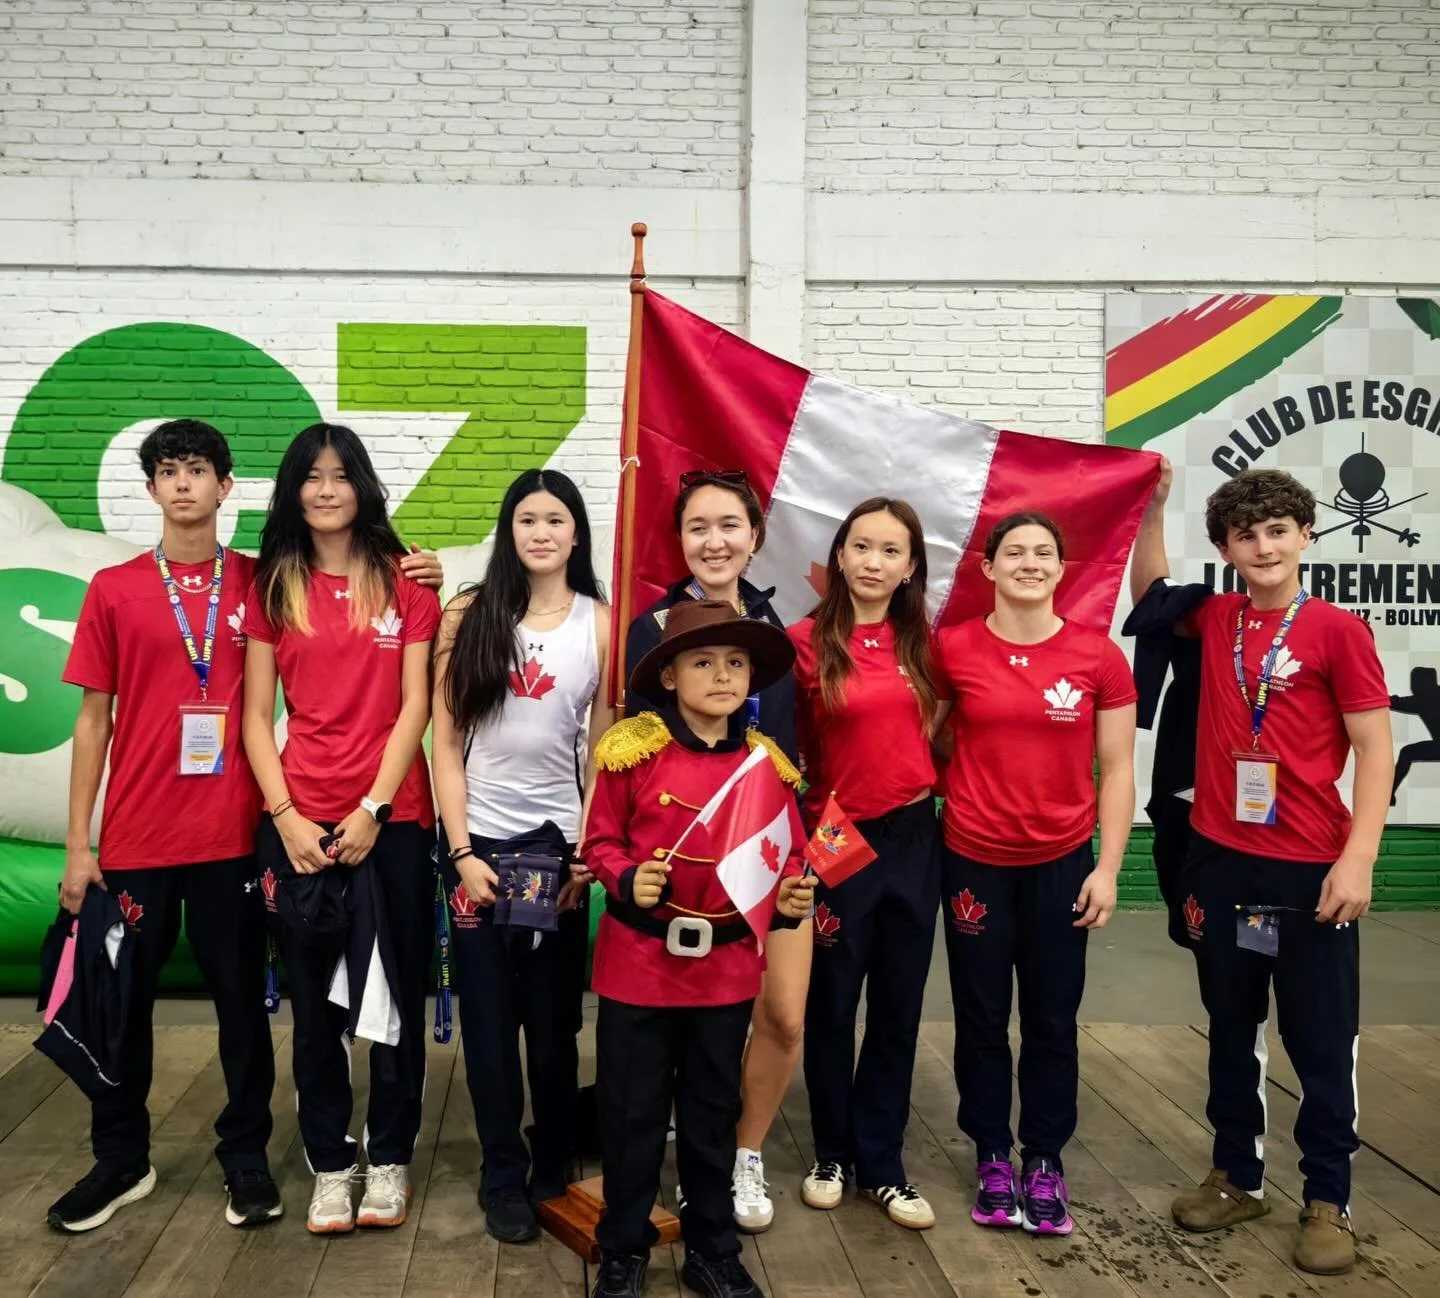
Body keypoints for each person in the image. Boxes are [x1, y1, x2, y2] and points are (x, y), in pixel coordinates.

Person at [1130, 464, 1393, 1277]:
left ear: (1306, 534)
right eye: (1246, 535)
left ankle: (1328, 1196)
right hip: (1224, 866)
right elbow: (1151, 594)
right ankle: (1239, 1176)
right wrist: (1152, 511)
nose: (1264, 545)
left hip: (1310, 870)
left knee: (1319, 1036)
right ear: (1227, 548)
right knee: (1234, 1028)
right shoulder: (1214, 619)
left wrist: (1358, 859)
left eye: (1278, 529)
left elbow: (1376, 749)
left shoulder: (1338, 632)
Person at [52, 419, 280, 1234]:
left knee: (242, 1013)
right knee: (122, 1008)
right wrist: (81, 847)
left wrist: (415, 565)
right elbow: (92, 722)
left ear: (226, 486)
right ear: (150, 490)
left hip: (233, 840)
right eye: (168, 471)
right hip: (137, 845)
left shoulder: (261, 581)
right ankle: (121, 1160)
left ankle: (245, 1155)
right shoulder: (113, 589)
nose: (184, 484)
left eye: (198, 469)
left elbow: (351, 592)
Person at [242, 423, 441, 1235]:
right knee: (315, 1010)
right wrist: (288, 816)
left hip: (391, 819)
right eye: (310, 477)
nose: (326, 490)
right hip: (297, 821)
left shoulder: (408, 582)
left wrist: (373, 807)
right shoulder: (272, 585)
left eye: (340, 475)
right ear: (293, 491)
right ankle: (330, 1162)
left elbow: (416, 707)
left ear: (362, 485)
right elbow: (256, 717)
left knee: (392, 995)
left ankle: (389, 1157)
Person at [584, 601, 814, 1298]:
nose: (722, 675)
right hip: (639, 967)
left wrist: (791, 900)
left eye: (736, 663)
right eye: (704, 662)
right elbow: (598, 843)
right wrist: (628, 878)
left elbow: (788, 858)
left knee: (713, 1114)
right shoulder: (633, 751)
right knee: (632, 1112)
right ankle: (623, 1246)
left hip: (724, 972)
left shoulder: (767, 767)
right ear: (673, 675)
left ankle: (712, 1247)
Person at [934, 512, 1136, 1236]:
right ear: (987, 568)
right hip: (972, 860)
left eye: (1043, 552)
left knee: (1052, 1018)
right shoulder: (949, 649)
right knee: (982, 1017)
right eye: (1013, 552)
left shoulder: (1098, 657)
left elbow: (1116, 770)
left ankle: (1044, 1157)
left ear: (1061, 568)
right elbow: (921, 738)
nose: (1028, 562)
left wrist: (1107, 868)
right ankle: (992, 1151)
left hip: (1061, 865)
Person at [431, 468, 612, 1244]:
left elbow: (605, 749)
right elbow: (444, 741)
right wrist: (461, 850)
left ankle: (547, 1169)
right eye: (527, 519)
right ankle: (501, 1171)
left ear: (577, 533)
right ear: (510, 531)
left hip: (556, 856)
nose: (541, 532)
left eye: (556, 519)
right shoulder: (470, 615)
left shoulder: (600, 623)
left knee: (551, 1023)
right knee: (490, 1025)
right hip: (480, 848)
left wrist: (584, 854)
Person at [624, 468, 805, 1232]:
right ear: (680, 540)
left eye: (729, 525)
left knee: (785, 1016)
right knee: (690, 1031)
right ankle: (689, 1156)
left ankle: (745, 1154)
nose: (714, 541)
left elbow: (800, 750)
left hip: (771, 852)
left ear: (754, 536)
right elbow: (638, 756)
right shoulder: (650, 627)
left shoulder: (781, 629)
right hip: (685, 868)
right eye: (698, 527)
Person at [790, 498, 943, 1231]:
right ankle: (831, 1152)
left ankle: (883, 1163)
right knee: (831, 1004)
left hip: (914, 838)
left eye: (890, 550)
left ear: (911, 565)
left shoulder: (929, 647)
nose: (873, 562)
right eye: (860, 546)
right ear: (839, 555)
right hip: (835, 838)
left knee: (898, 1007)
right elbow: (787, 761)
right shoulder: (801, 645)